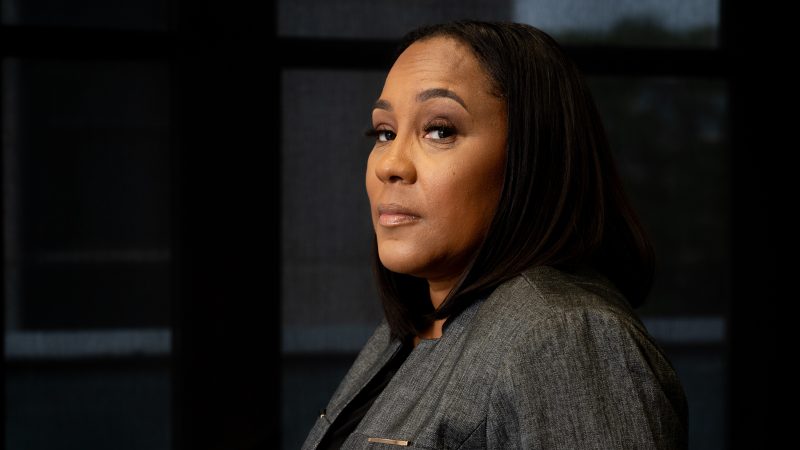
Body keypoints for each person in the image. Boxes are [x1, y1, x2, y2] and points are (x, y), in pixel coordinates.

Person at [301, 19, 688, 449]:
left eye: (440, 130)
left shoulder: (560, 336)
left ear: (531, 157)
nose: (390, 164)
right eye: (385, 132)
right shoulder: (409, 330)